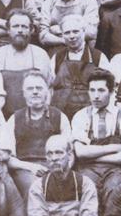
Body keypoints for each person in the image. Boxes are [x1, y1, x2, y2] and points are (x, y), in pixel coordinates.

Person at [71, 69, 121, 215]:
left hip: (115, 169)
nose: (96, 96)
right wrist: (113, 147)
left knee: (116, 189)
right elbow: (80, 153)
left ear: (111, 91)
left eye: (101, 90)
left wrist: (92, 153)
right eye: (92, 90)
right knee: (87, 190)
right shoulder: (81, 116)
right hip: (87, 168)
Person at [5, 70, 72, 198]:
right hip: (25, 170)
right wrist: (31, 167)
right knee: (35, 187)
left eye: (39, 88)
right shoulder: (14, 119)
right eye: (30, 88)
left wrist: (60, 170)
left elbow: (70, 154)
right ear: (24, 93)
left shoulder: (59, 117)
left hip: (55, 167)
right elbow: (8, 159)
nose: (35, 92)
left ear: (47, 91)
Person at [0, 9, 52, 118]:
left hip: (35, 117)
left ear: (31, 30)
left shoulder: (40, 55)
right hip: (4, 117)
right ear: (8, 30)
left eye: (24, 27)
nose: (20, 30)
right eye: (16, 26)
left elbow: (49, 89)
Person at [49, 14, 111, 119]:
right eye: (67, 33)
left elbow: (109, 89)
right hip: (61, 114)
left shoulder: (98, 57)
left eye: (75, 31)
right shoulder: (57, 58)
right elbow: (49, 87)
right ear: (62, 35)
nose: (72, 36)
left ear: (83, 32)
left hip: (90, 116)